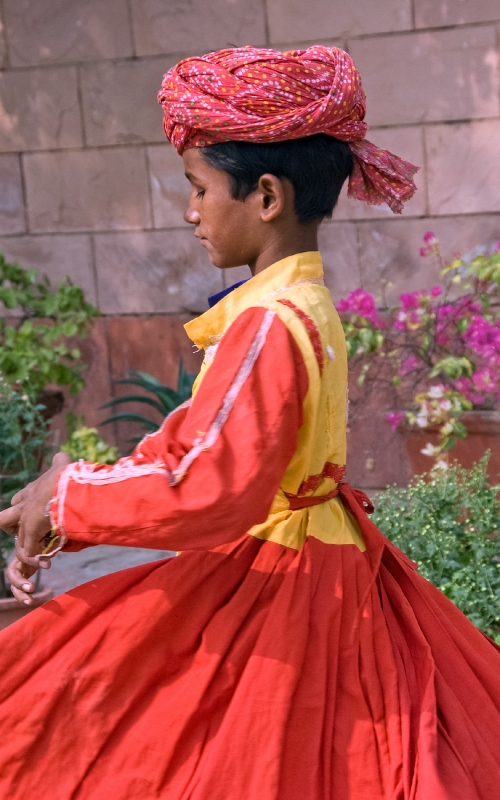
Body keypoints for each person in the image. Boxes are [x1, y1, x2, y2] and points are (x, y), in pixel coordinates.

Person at [0, 45, 499, 800]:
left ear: (266, 196)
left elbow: (209, 485)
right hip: (327, 556)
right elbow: (195, 449)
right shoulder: (307, 307)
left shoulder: (266, 324)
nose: (191, 210)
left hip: (280, 576)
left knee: (91, 713)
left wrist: (65, 496)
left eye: (199, 188)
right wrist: (70, 505)